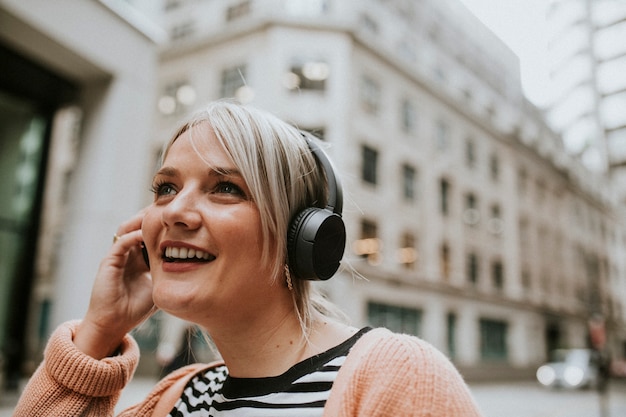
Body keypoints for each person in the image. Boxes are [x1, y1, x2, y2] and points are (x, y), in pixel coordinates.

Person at [14, 101, 483, 416]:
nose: (175, 210)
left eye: (226, 188)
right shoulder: (175, 400)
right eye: (166, 187)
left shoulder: (399, 378)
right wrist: (99, 333)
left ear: (303, 235)